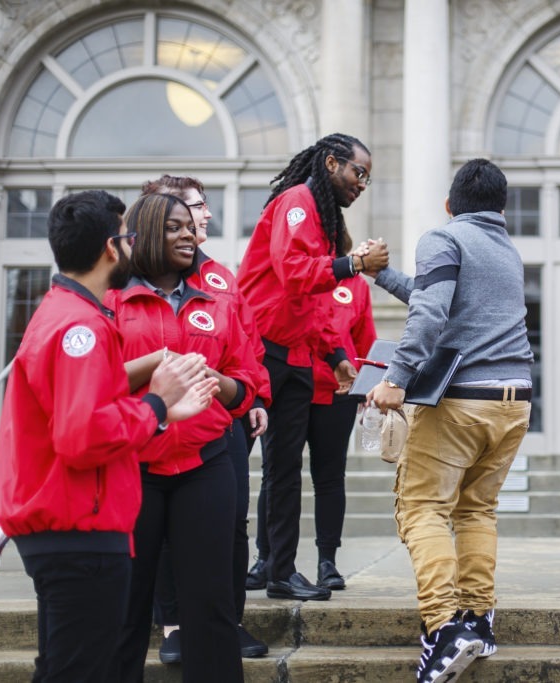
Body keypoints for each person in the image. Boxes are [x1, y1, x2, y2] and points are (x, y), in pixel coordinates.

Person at [0, 190, 217, 682]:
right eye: (130, 238)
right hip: (79, 531)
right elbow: (82, 438)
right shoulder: (81, 327)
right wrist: (157, 403)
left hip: (71, 528)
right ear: (113, 247)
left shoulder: (66, 316)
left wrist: (158, 407)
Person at [368, 159, 533, 683]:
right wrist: (383, 276)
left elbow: (431, 314)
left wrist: (395, 378)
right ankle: (477, 621)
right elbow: (440, 296)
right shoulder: (506, 250)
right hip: (514, 402)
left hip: (463, 401)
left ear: (449, 204)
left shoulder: (443, 237)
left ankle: (442, 630)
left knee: (422, 508)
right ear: (500, 207)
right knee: (476, 510)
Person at [110, 193, 261, 682]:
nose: (189, 234)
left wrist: (220, 381)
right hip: (134, 467)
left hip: (206, 463)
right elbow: (96, 381)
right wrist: (158, 373)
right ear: (146, 232)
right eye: (174, 227)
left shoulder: (215, 295)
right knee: (126, 606)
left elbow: (246, 381)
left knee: (211, 605)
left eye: (189, 227)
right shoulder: (111, 299)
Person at [237, 133, 388, 600]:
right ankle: (264, 567)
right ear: (330, 163)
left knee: (284, 472)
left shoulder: (322, 216)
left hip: (298, 354)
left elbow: (313, 307)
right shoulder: (297, 202)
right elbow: (292, 271)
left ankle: (281, 571)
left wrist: (339, 358)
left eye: (368, 177)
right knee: (267, 470)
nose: (362, 183)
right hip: (262, 349)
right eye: (357, 172)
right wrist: (355, 262)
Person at [249, 272, 376, 591]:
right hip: (289, 384)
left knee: (330, 477)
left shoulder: (355, 285)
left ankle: (327, 561)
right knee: (275, 472)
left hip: (336, 392)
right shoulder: (296, 277)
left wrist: (366, 388)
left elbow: (364, 339)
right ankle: (266, 558)